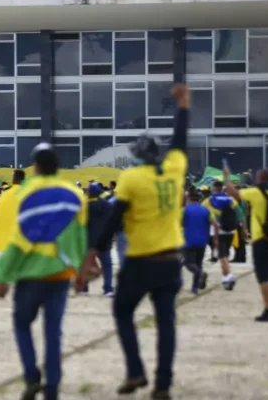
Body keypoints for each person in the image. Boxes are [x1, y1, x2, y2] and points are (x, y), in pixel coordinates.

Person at [80, 84, 191, 400]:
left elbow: (114, 220)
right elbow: (181, 140)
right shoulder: (174, 170)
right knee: (166, 323)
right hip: (171, 260)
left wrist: (93, 251)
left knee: (123, 312)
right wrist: (184, 106)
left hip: (141, 260)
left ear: (138, 156)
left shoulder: (131, 179)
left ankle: (134, 369)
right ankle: (163, 384)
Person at [0, 143, 87, 400]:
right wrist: (81, 272)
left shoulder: (27, 192)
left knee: (22, 324)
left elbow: (20, 238)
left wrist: (3, 275)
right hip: (61, 275)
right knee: (53, 332)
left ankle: (32, 377)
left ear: (36, 166)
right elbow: (79, 237)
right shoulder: (74, 194)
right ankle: (52, 388)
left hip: (31, 274)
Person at [225, 167, 268, 322]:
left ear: (260, 179)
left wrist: (227, 177)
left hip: (261, 240)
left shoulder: (257, 192)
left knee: (263, 277)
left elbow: (233, 193)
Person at [202, 180, 243, 290]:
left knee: (222, 256)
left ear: (213, 188)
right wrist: (244, 229)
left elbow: (202, 213)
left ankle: (227, 278)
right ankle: (226, 275)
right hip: (230, 231)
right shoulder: (231, 199)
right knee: (224, 255)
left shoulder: (209, 200)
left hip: (217, 231)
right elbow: (240, 214)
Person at [79, 183, 114, 297]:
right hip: (104, 240)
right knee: (107, 265)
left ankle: (84, 288)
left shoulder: (83, 206)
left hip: (88, 240)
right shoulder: (107, 205)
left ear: (89, 192)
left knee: (86, 265)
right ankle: (108, 289)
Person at [183, 191, 217, 295]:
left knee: (188, 263)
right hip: (203, 241)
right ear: (199, 199)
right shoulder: (206, 210)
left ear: (189, 199)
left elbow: (176, 223)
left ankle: (201, 275)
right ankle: (195, 288)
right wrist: (216, 239)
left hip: (189, 241)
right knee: (198, 264)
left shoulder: (185, 210)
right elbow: (216, 224)